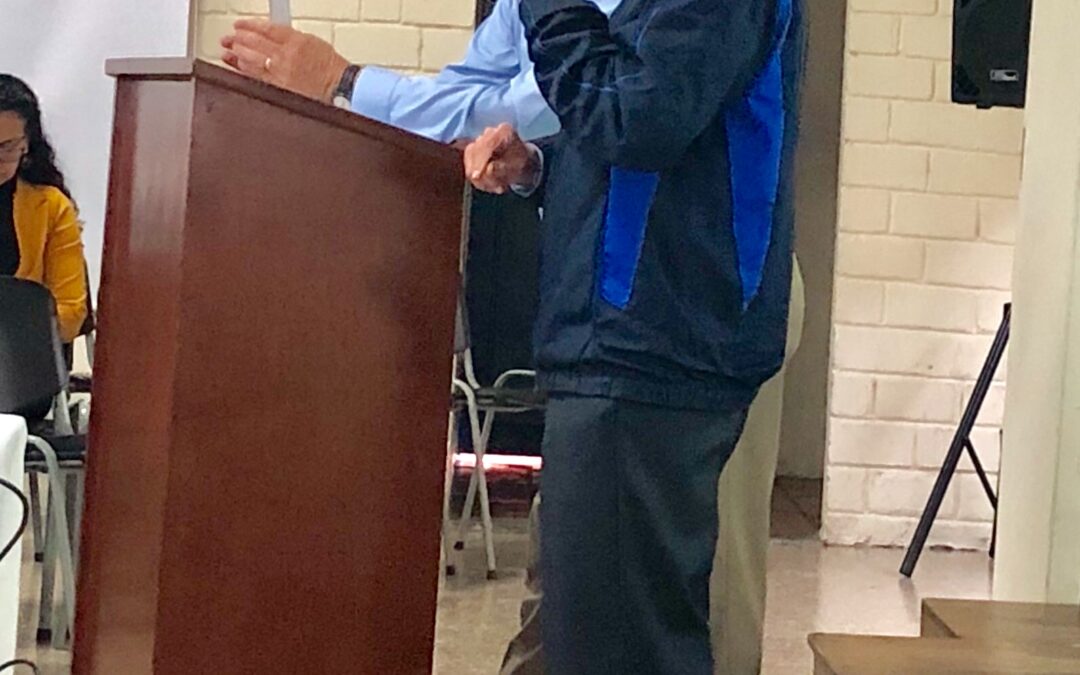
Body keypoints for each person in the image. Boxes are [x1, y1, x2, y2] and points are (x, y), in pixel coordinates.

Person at [221, 0, 804, 668]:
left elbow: (636, 117)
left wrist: (345, 80)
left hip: (665, 334)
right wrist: (538, 169)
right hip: (619, 338)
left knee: (641, 630)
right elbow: (608, 122)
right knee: (589, 620)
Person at [0, 75, 88, 421]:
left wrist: (21, 335)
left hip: (17, 372)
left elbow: (71, 311)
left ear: (27, 145)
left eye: (6, 148)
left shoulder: (51, 207)